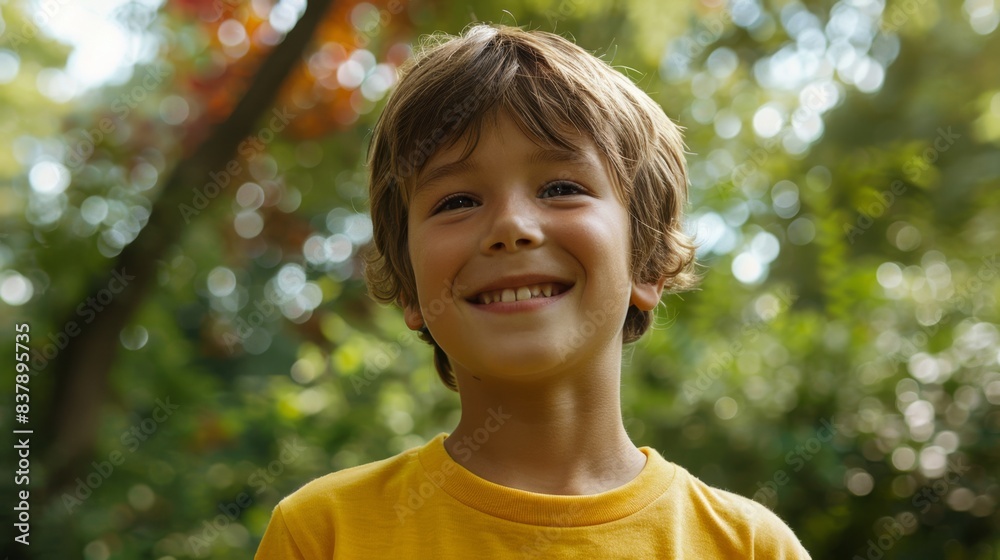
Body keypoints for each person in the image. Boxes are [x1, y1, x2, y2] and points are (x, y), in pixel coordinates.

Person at [254, 23, 811, 558]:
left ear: (647, 262)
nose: (511, 226)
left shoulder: (751, 548)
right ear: (410, 287)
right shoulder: (322, 535)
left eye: (562, 188)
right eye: (457, 202)